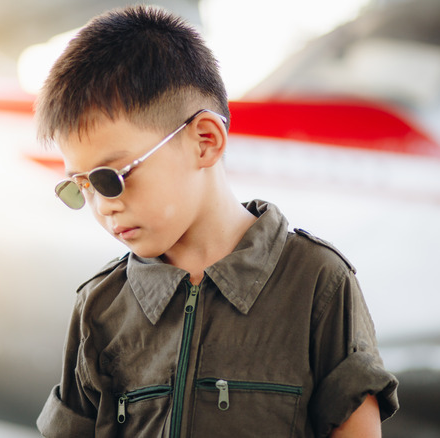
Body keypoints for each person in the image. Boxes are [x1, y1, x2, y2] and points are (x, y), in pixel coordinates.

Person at [34, 5, 398, 437]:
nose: (103, 207)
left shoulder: (319, 283)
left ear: (205, 141)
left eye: (110, 178)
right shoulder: (99, 308)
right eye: (81, 187)